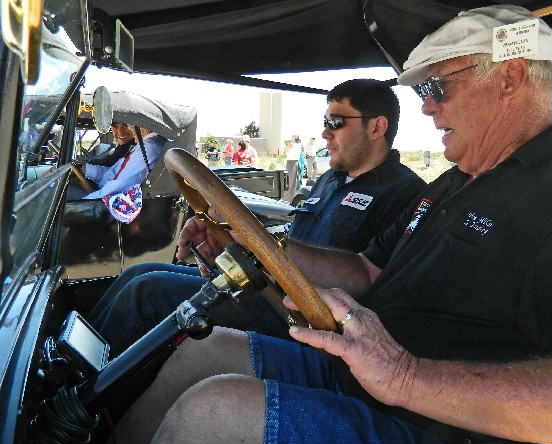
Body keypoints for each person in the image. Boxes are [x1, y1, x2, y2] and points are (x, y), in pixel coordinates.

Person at [112, 5, 552, 444]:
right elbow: (368, 273)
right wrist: (253, 240)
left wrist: (406, 376)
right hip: (365, 373)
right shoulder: (453, 184)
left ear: (512, 76)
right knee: (196, 353)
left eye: (437, 88)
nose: (427, 108)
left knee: (210, 413)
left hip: (436, 432)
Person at [89, 78, 425, 358]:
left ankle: (75, 403)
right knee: (141, 271)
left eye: (336, 122)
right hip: (270, 291)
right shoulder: (331, 180)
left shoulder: (404, 195)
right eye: (325, 122)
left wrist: (250, 237)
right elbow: (297, 238)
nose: (325, 133)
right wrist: (227, 237)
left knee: (146, 292)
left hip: (303, 321)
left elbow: (377, 287)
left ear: (377, 127)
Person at [79, 125, 166, 200]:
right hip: (103, 191)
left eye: (132, 126)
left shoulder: (148, 147)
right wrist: (86, 170)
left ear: (144, 125)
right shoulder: (145, 145)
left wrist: (82, 204)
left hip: (110, 201)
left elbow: (118, 186)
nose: (130, 129)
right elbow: (114, 172)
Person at [283, 134, 302, 202]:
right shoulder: (299, 145)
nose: (292, 138)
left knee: (291, 180)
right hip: (295, 162)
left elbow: (285, 152)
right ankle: (292, 197)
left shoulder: (291, 144)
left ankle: (289, 198)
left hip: (291, 162)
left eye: (293, 137)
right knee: (294, 180)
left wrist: (286, 147)